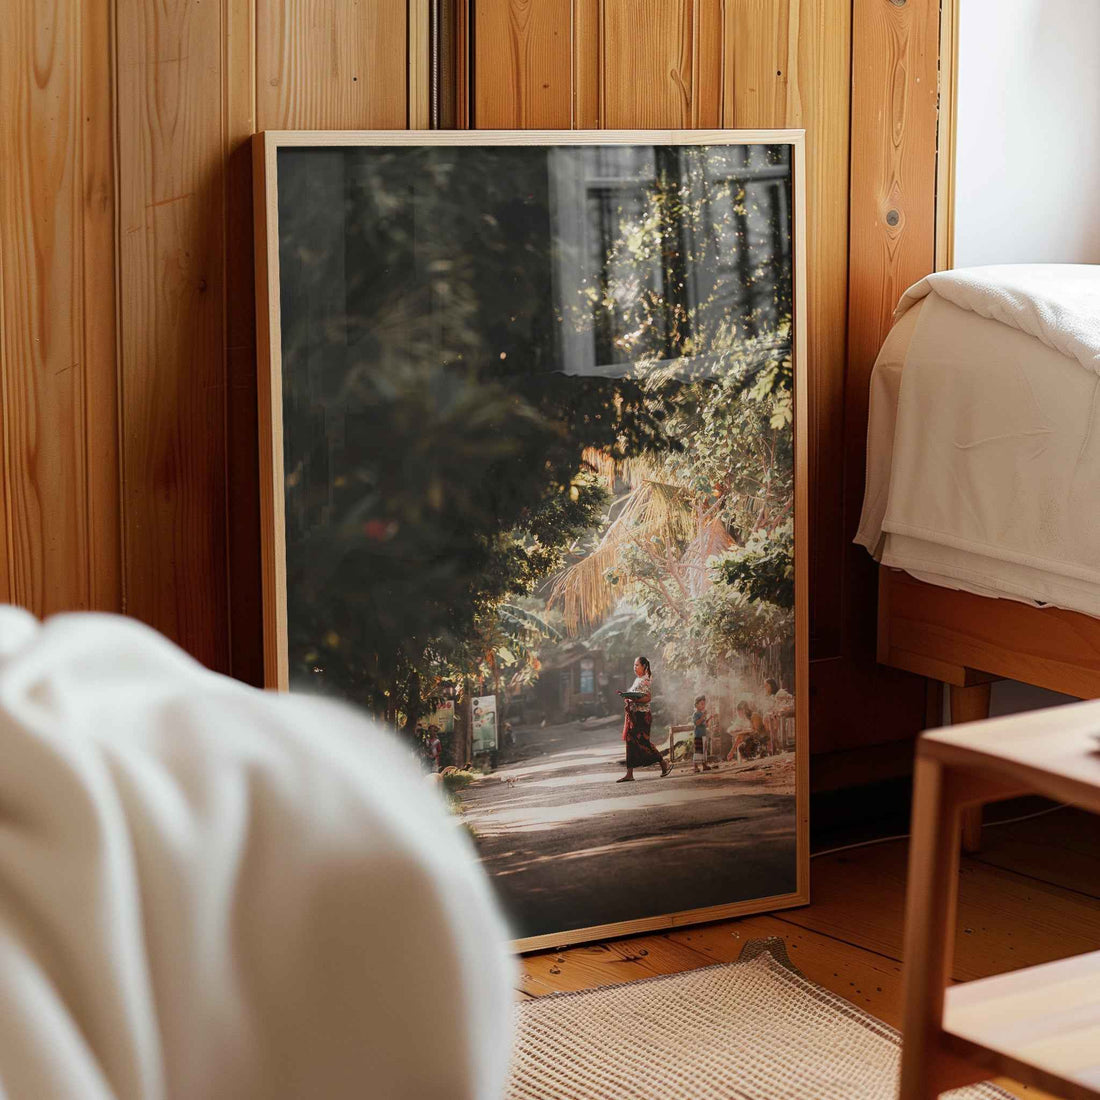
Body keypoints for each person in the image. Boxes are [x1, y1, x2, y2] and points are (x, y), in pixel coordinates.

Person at [617, 655, 671, 782]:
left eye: (637, 665)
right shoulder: (637, 680)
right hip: (634, 715)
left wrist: (635, 699)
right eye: (634, 665)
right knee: (630, 741)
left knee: (643, 742)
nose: (634, 667)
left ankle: (663, 763)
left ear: (644, 666)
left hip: (642, 716)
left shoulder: (645, 680)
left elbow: (648, 698)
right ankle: (629, 773)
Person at [691, 694, 712, 774]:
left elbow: (704, 724)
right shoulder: (696, 714)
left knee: (704, 750)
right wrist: (703, 716)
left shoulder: (702, 714)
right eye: (701, 704)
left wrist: (708, 720)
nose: (703, 706)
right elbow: (697, 723)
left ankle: (704, 765)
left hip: (703, 735)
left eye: (704, 704)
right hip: (698, 735)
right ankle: (695, 766)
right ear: (696, 705)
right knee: (698, 750)